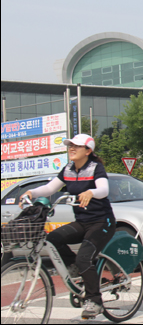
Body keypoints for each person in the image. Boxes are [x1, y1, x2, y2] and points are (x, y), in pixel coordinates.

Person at [19, 134, 116, 318]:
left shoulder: (96, 168)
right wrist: (31, 192)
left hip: (102, 222)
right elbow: (50, 188)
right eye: (70, 145)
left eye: (76, 146)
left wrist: (91, 192)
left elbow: (103, 190)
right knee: (53, 239)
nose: (71, 148)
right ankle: (75, 269)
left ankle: (95, 301)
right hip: (82, 222)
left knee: (84, 258)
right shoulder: (68, 169)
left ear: (88, 151)